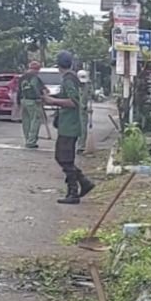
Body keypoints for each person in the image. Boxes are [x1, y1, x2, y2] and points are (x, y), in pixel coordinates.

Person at [42, 51, 93, 204]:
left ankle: (74, 191)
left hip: (70, 125)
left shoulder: (69, 79)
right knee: (63, 157)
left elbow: (73, 102)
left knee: (64, 158)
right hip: (68, 124)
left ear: (58, 65)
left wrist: (52, 101)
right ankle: (83, 183)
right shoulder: (70, 78)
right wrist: (50, 97)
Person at [16, 61, 46, 149]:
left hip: (23, 99)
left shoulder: (22, 77)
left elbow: (18, 89)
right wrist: (38, 97)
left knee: (26, 121)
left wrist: (18, 101)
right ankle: (31, 141)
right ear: (37, 69)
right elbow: (34, 87)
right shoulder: (34, 77)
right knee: (35, 120)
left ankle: (27, 139)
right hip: (32, 100)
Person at [76, 69, 91, 154]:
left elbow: (89, 97)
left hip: (83, 110)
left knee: (83, 129)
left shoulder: (87, 86)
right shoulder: (74, 86)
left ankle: (81, 146)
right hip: (74, 110)